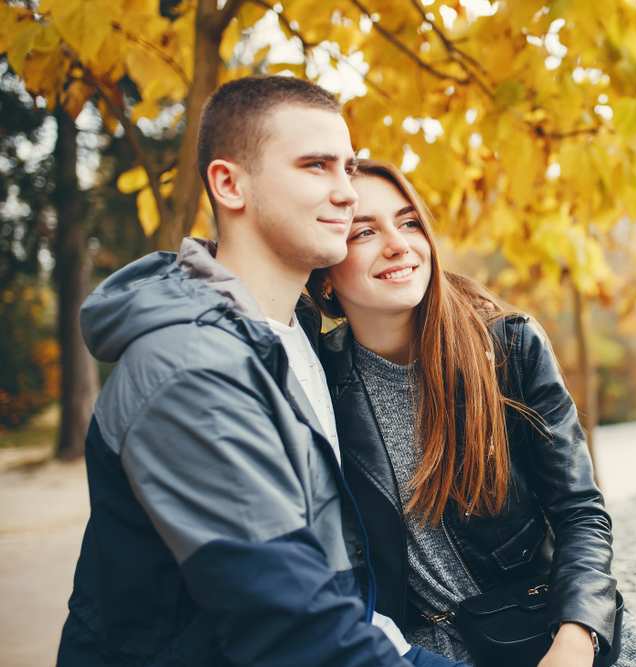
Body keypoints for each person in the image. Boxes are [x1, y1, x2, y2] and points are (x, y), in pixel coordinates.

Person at [57, 77, 468, 667]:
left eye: (347, 168)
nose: (347, 192)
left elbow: (332, 579)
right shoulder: (190, 370)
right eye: (316, 166)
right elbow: (292, 629)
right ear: (229, 184)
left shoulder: (295, 338)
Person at [305, 159, 636, 667]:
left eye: (408, 223)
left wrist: (576, 638)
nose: (399, 244)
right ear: (327, 279)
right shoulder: (318, 380)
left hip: (548, 619)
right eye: (364, 232)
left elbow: (580, 512)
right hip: (420, 651)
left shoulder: (508, 347)